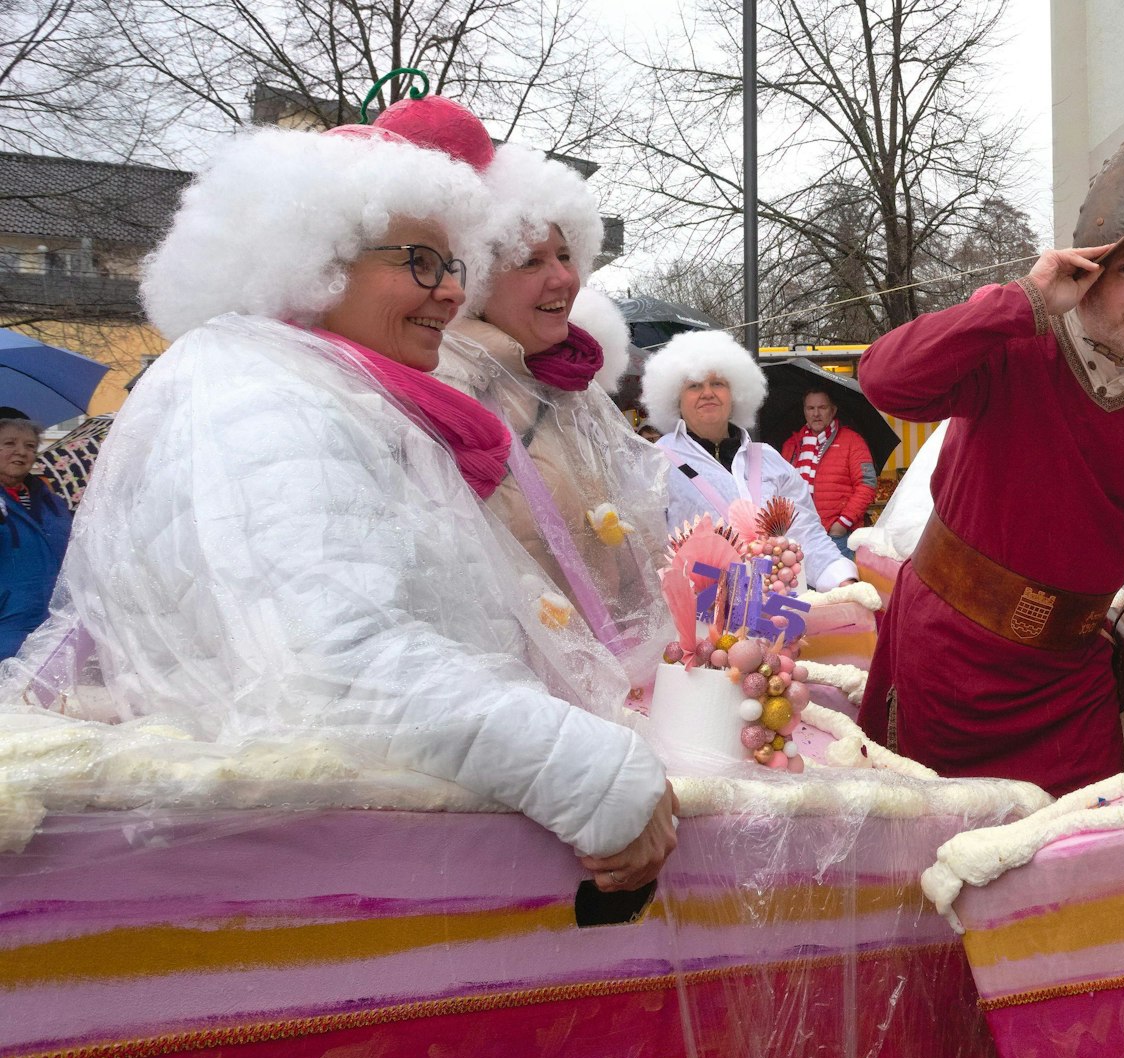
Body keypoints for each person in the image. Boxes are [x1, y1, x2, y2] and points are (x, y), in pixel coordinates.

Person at [4, 126, 676, 891]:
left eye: (453, 264)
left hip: (318, 867)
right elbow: (340, 663)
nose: (453, 291)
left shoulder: (309, 388)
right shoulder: (263, 405)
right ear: (316, 263)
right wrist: (594, 774)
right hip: (287, 890)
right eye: (421, 261)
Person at [855, 133, 1124, 795]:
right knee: (941, 863)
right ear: (1087, 268)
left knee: (1074, 873)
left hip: (1071, 683)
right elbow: (884, 380)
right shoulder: (1015, 339)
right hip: (953, 662)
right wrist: (1022, 300)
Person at [376, 94, 676, 684]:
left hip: (612, 688)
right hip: (517, 707)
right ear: (476, 280)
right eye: (531, 261)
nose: (564, 277)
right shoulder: (439, 395)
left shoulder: (570, 389)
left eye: (566, 254)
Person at [641, 330, 859, 590]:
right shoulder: (656, 463)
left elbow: (806, 533)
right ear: (676, 398)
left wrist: (842, 581)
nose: (707, 392)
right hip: (698, 620)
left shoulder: (768, 459)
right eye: (694, 385)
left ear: (735, 394)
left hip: (777, 615)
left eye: (718, 384)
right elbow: (646, 551)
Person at [0, 413, 72, 658]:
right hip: (6, 629)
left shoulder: (54, 503)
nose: (21, 451)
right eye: (9, 443)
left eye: (30, 446)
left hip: (52, 630)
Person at [780, 388, 877, 559]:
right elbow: (781, 488)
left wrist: (842, 524)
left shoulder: (852, 441)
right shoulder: (792, 445)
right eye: (810, 408)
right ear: (804, 411)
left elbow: (867, 484)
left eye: (822, 408)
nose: (816, 413)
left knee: (840, 585)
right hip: (798, 537)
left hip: (837, 537)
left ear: (833, 410)